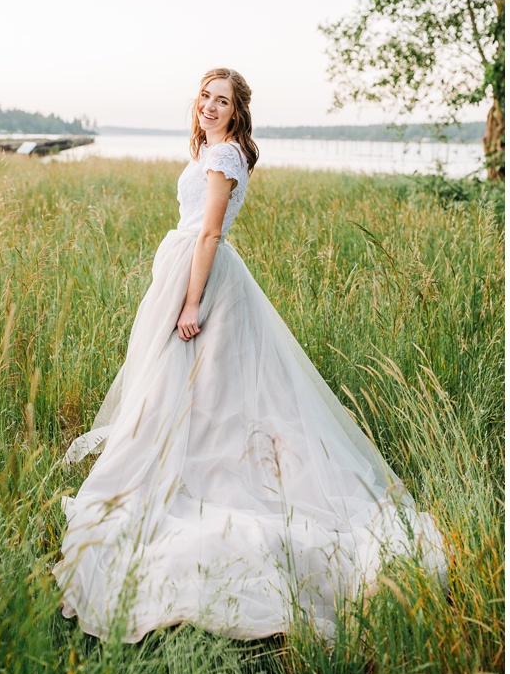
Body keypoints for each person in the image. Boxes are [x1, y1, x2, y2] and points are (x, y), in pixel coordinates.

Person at [53, 68, 447, 643]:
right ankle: (176, 461)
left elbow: (209, 233)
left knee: (207, 386)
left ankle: (203, 477)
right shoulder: (211, 149)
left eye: (223, 101)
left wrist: (191, 303)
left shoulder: (227, 157)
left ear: (237, 113)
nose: (211, 107)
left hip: (205, 280)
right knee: (191, 386)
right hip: (188, 271)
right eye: (206, 97)